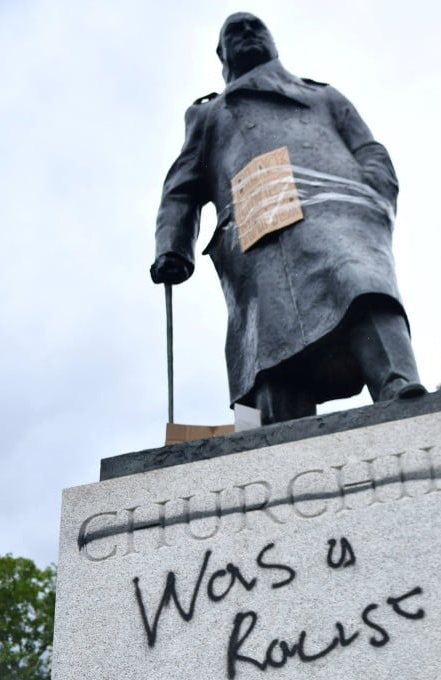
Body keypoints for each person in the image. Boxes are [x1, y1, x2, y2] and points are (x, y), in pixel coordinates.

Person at [151, 13, 424, 424]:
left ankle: (399, 385)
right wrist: (173, 246)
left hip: (339, 206)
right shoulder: (210, 114)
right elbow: (181, 187)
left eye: (254, 27)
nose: (246, 34)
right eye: (234, 32)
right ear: (221, 54)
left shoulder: (323, 95)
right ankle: (268, 432)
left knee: (361, 282)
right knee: (267, 342)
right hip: (258, 220)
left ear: (273, 41)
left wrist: (373, 191)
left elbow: (370, 149)